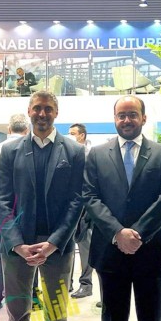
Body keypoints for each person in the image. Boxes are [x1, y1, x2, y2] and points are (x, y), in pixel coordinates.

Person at [84, 95, 161, 321]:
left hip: (151, 251)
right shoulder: (97, 155)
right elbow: (90, 197)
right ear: (114, 119)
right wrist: (118, 232)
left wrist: (138, 233)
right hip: (109, 253)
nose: (127, 120)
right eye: (121, 115)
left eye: (132, 114)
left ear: (143, 118)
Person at [0, 91, 85, 321]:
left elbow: (77, 201)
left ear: (56, 112)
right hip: (17, 248)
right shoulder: (10, 151)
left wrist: (54, 242)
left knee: (57, 319)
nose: (42, 114)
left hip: (57, 247)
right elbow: (2, 200)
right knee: (17, 320)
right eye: (37, 108)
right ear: (29, 111)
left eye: (48, 109)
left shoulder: (74, 151)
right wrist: (16, 243)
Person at [0, 113, 30, 313]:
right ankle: (27, 297)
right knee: (28, 248)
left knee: (1, 250)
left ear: (8, 129)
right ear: (27, 129)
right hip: (22, 206)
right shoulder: (28, 148)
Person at [68, 123, 94, 299]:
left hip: (85, 208)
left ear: (82, 135)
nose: (70, 136)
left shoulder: (90, 155)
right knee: (66, 245)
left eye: (73, 133)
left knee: (85, 245)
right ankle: (67, 282)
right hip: (68, 207)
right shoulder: (67, 153)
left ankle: (86, 284)